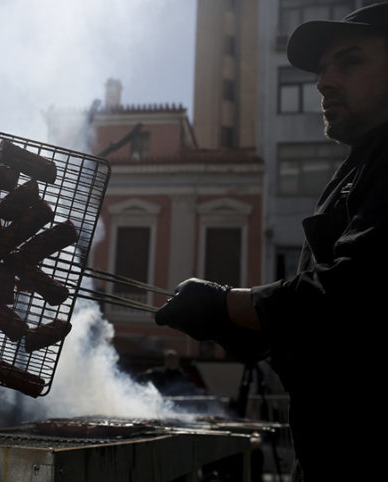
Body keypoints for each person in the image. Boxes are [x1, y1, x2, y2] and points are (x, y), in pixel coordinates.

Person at [154, 4, 388, 480]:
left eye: (350, 61)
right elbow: (323, 328)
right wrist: (239, 330)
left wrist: (229, 304)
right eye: (323, 69)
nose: (323, 81)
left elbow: (355, 291)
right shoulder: (356, 168)